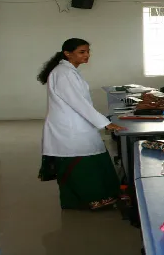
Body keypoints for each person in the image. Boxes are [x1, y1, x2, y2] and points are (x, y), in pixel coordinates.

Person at [37, 38, 127, 210]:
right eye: (82, 52)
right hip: (70, 126)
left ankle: (88, 198)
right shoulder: (64, 73)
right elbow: (78, 102)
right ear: (67, 53)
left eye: (87, 51)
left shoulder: (68, 71)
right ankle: (91, 199)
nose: (87, 55)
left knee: (91, 159)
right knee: (81, 165)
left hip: (77, 123)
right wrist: (105, 123)